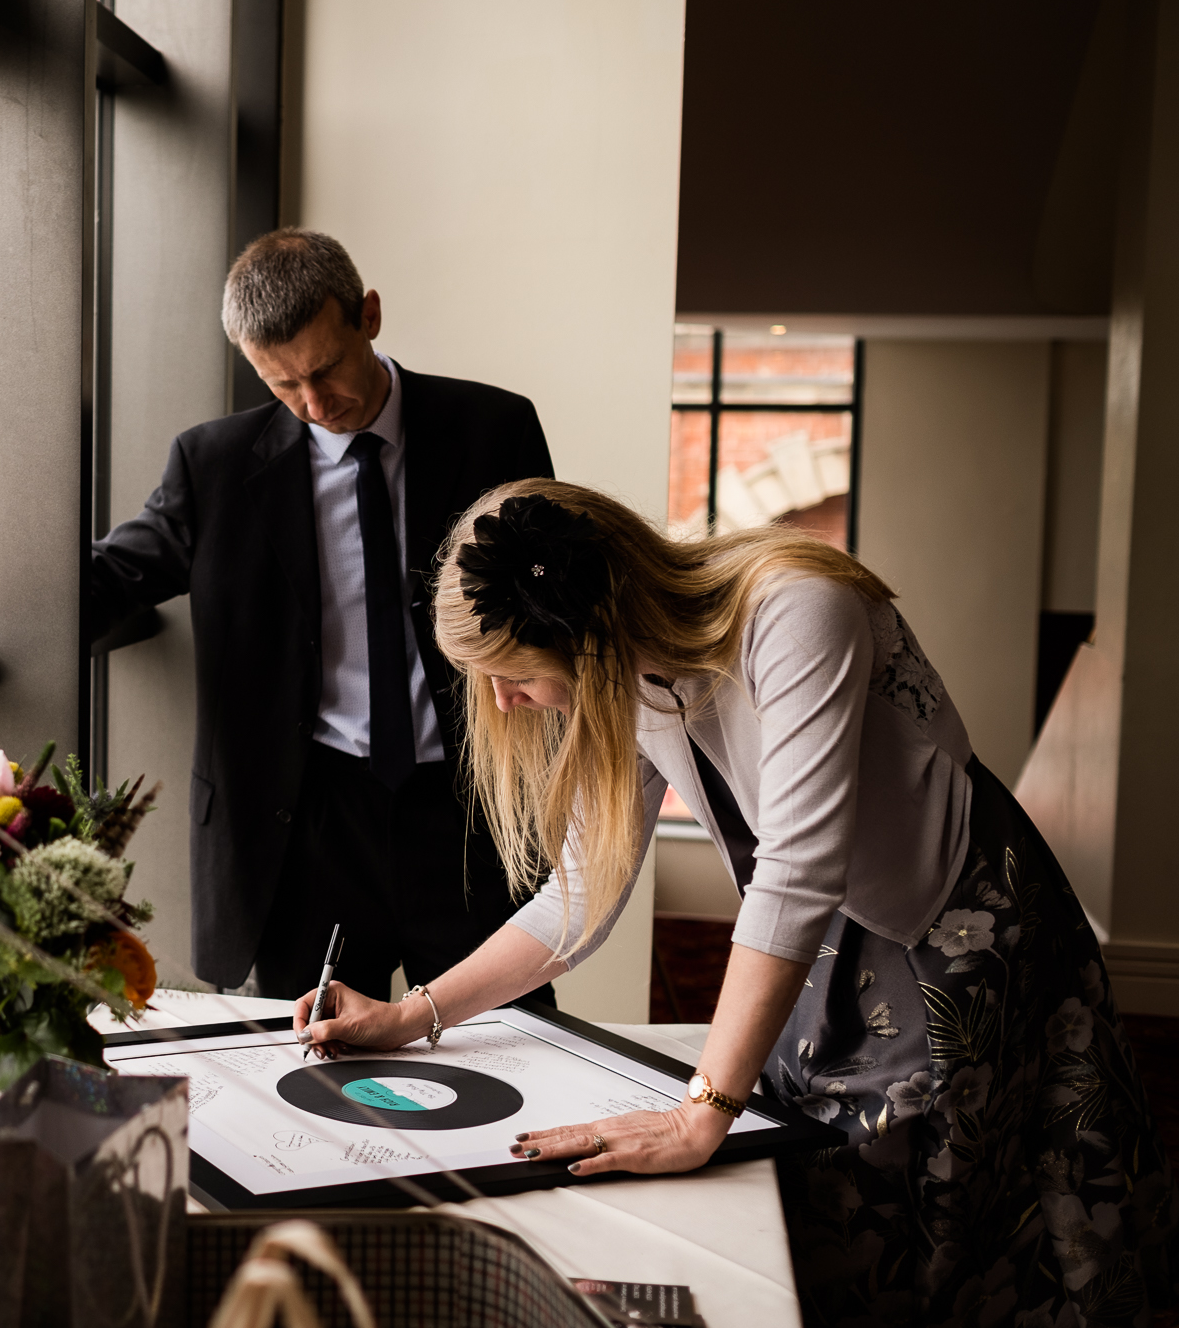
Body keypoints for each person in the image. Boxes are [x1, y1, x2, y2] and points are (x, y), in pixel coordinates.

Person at [296, 479, 1174, 1326]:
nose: (500, 701)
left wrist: (697, 1114)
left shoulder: (798, 609)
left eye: (512, 673)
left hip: (956, 936)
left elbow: (796, 866)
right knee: (819, 1210)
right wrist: (415, 1015)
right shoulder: (625, 675)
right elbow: (577, 896)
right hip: (819, 944)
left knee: (948, 1236)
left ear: (586, 628)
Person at [86, 229, 558, 1003]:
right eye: (282, 386)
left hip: (472, 806)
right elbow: (115, 576)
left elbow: (555, 595)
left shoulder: (492, 429)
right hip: (304, 826)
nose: (315, 403)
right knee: (313, 1069)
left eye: (325, 369)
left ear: (368, 315)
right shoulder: (213, 465)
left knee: (507, 1046)